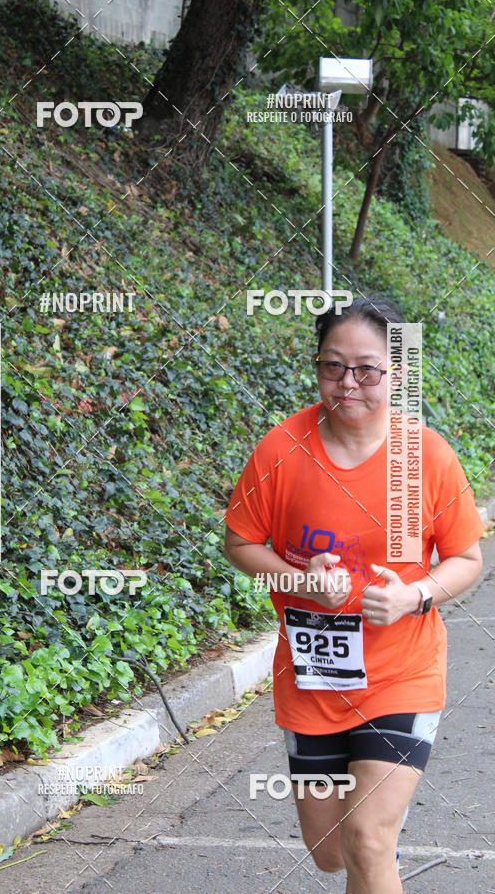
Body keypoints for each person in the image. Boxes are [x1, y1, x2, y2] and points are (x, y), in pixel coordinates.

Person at [223, 295, 485, 893]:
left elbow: (467, 558)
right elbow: (239, 545)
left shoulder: (428, 457)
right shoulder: (281, 449)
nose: (349, 383)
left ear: (397, 371)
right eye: (333, 366)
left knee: (369, 839)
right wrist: (298, 581)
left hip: (403, 673)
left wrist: (415, 595)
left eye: (368, 368)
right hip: (314, 679)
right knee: (333, 852)